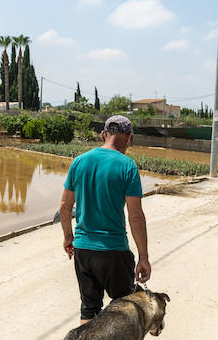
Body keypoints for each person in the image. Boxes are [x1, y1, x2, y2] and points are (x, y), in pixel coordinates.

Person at [58, 115, 151, 321]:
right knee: (123, 310)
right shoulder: (128, 166)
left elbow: (65, 207)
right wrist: (143, 257)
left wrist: (68, 237)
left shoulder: (79, 162)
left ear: (103, 135)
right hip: (114, 250)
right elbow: (135, 217)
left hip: (83, 249)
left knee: (89, 309)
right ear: (129, 137)